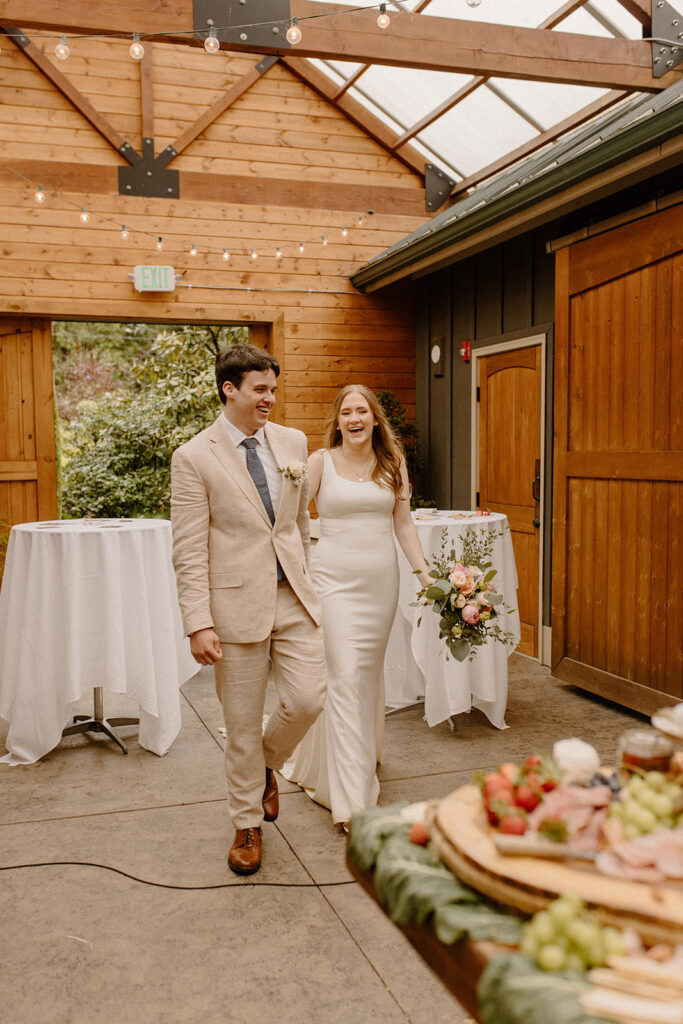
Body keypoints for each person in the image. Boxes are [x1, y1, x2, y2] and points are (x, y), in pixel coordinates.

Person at [170, 343, 326, 876]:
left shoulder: (292, 441)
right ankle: (246, 824)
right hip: (234, 604)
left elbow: (298, 522)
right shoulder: (194, 456)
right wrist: (198, 621)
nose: (270, 399)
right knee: (239, 723)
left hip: (293, 596)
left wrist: (307, 574)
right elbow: (188, 547)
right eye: (260, 389)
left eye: (274, 389)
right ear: (229, 388)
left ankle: (263, 768)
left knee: (308, 698)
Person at [283, 384, 430, 830]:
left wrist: (427, 575)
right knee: (344, 678)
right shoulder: (319, 463)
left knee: (364, 679)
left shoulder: (392, 463)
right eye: (346, 411)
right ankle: (354, 803)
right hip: (333, 585)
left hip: (380, 585)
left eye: (361, 410)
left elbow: (403, 524)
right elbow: (288, 521)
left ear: (374, 418)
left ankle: (358, 759)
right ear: (338, 419)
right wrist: (298, 576)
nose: (354, 418)